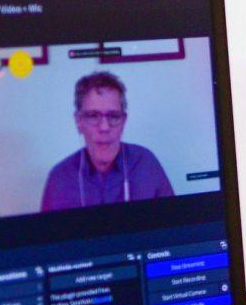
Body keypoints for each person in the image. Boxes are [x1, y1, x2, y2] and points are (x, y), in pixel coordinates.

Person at [41, 72, 173, 211]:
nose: (104, 127)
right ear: (79, 122)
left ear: (123, 122)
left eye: (113, 116)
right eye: (93, 116)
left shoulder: (146, 164)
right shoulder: (60, 178)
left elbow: (172, 220)